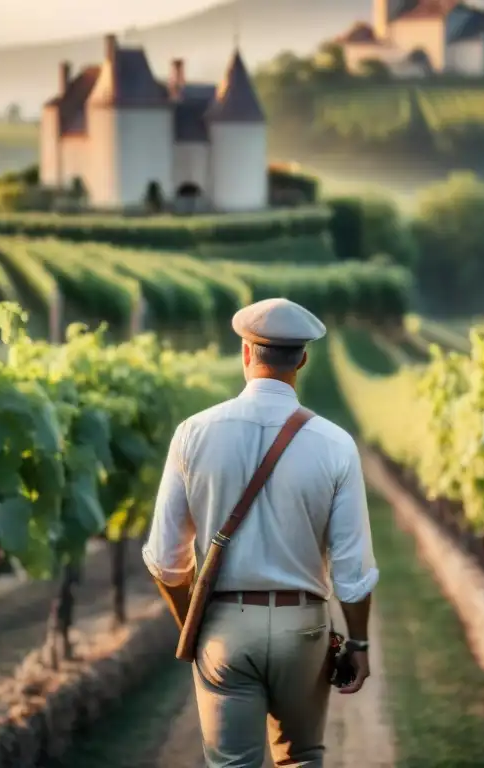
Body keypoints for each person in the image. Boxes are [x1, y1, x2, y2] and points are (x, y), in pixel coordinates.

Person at [142, 297, 379, 768]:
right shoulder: (335, 443)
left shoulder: (193, 432)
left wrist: (194, 623)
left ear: (246, 353)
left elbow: (166, 559)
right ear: (304, 360)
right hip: (303, 626)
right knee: (301, 759)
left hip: (225, 627)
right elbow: (353, 572)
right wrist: (358, 644)